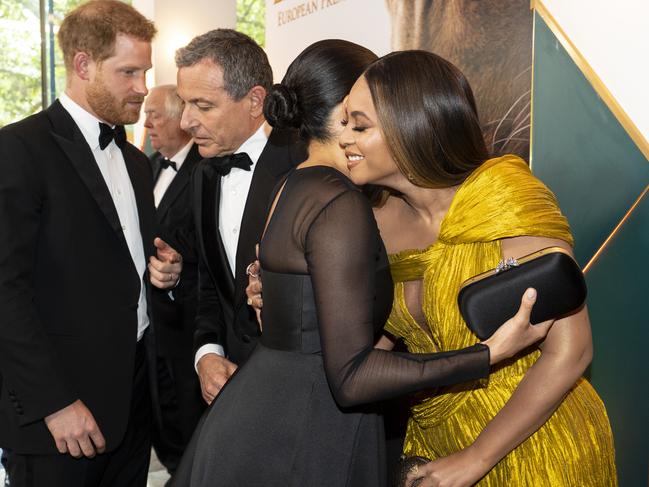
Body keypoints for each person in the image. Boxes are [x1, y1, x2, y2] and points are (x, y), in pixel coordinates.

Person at [171, 39, 552, 487]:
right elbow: (350, 371)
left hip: (282, 417)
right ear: (340, 112)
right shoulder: (337, 200)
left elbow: (341, 319)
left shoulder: (297, 186)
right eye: (357, 117)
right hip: (305, 430)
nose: (356, 133)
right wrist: (487, 354)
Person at [339, 50, 617, 486]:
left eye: (360, 125)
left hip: (538, 447)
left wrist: (475, 458)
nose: (345, 139)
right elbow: (374, 348)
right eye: (344, 124)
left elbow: (572, 351)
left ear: (410, 124)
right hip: (435, 444)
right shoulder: (376, 219)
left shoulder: (503, 196)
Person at [0, 2, 182, 486]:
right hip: (59, 418)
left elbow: (118, 269)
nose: (142, 87)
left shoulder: (137, 162)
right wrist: (54, 404)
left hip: (135, 405)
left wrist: (161, 273)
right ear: (83, 65)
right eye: (128, 72)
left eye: (144, 71)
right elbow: (5, 292)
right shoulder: (19, 150)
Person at [173, 29, 306, 406]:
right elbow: (210, 285)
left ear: (255, 101)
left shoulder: (304, 167)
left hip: (299, 390)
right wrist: (207, 354)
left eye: (203, 105)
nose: (186, 121)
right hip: (230, 386)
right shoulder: (203, 174)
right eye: (185, 103)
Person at [143, 85, 205, 475]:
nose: (146, 122)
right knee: (158, 412)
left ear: (181, 119)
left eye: (155, 115)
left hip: (190, 319)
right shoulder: (145, 165)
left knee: (189, 415)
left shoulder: (206, 167)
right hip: (149, 320)